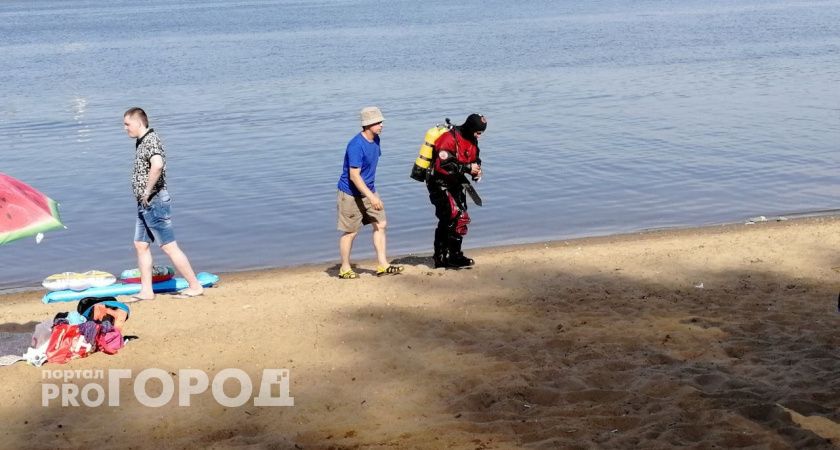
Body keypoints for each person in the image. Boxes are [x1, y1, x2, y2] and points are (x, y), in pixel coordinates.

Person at [123, 107, 204, 301]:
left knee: (168, 246)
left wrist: (147, 191)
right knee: (140, 244)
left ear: (139, 122)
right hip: (145, 203)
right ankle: (147, 291)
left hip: (154, 201)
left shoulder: (150, 140)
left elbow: (157, 164)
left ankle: (195, 285)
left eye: (127, 124)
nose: (125, 128)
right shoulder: (141, 141)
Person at [336, 106, 404, 279]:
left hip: (369, 190)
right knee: (351, 232)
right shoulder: (356, 145)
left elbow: (369, 168)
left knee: (381, 224)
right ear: (367, 125)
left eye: (381, 122)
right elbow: (354, 176)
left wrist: (372, 194)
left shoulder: (376, 140)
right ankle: (345, 268)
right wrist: (372, 197)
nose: (382, 125)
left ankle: (383, 265)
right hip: (350, 194)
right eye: (378, 122)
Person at [426, 113, 487, 268]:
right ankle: (441, 257)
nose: (479, 136)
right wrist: (467, 168)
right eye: (478, 132)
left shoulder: (472, 139)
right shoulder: (448, 139)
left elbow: (474, 158)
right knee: (452, 216)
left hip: (456, 182)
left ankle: (454, 255)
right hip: (439, 183)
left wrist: (476, 171)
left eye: (481, 133)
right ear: (470, 128)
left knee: (459, 218)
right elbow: (443, 165)